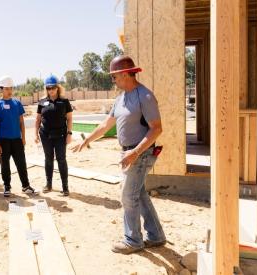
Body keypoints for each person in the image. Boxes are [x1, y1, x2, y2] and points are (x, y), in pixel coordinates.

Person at [71, 55, 166, 254]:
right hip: (128, 153)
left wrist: (135, 152)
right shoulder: (121, 98)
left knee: (127, 196)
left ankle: (133, 240)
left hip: (140, 153)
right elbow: (106, 124)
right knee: (137, 194)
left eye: (114, 77)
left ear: (124, 74)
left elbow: (156, 129)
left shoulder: (145, 96)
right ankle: (156, 236)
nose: (112, 81)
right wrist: (87, 140)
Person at [0, 75, 37, 197]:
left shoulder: (17, 103)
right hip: (3, 141)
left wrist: (23, 138)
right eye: (6, 89)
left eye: (11, 88)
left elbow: (21, 122)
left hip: (17, 140)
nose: (9, 91)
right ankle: (7, 186)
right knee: (5, 165)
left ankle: (26, 186)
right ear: (1, 89)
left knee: (21, 163)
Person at [34, 75, 73, 196]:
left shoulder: (64, 101)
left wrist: (69, 134)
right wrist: (35, 134)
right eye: (48, 88)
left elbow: (70, 119)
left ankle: (65, 187)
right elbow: (37, 119)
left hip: (60, 135)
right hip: (45, 135)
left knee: (61, 160)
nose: (51, 90)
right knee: (48, 159)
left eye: (53, 87)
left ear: (58, 87)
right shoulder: (42, 102)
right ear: (46, 88)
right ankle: (49, 184)